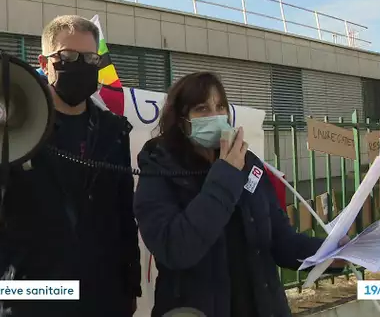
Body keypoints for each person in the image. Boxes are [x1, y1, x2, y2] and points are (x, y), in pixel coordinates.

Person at [0, 15, 141, 317]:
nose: (81, 65)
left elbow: (124, 216)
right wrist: (2, 146)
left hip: (103, 297)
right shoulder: (7, 124)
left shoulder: (113, 131)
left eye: (90, 58)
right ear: (44, 62)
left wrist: (130, 283)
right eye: (68, 57)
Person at [133, 72, 347, 317]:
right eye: (202, 109)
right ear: (182, 121)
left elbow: (280, 240)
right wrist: (225, 175)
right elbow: (176, 248)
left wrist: (329, 255)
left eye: (220, 106)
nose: (215, 116)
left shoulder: (249, 164)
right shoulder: (160, 170)